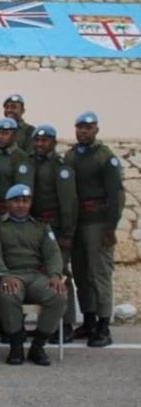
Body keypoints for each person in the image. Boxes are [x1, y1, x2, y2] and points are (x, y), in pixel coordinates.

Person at [0, 184, 67, 366]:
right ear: (8, 204)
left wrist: (55, 274)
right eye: (16, 201)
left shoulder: (41, 227)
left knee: (58, 295)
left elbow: (53, 253)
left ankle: (38, 346)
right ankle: (16, 346)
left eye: (25, 201)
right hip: (10, 274)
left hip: (36, 276)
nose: (21, 205)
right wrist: (4, 274)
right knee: (9, 294)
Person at [65, 111, 124, 347]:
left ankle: (103, 324)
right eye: (79, 127)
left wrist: (111, 225)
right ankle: (88, 319)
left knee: (99, 273)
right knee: (80, 273)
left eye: (88, 128)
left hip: (98, 222)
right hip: (78, 222)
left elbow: (116, 194)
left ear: (96, 130)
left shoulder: (105, 157)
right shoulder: (71, 156)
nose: (83, 131)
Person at [28, 124, 79, 338]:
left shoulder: (60, 167)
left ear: (53, 142)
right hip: (35, 226)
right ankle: (47, 325)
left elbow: (69, 203)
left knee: (60, 272)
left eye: (45, 140)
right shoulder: (31, 164)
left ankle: (66, 324)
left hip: (55, 227)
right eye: (37, 140)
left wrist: (67, 233)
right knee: (38, 271)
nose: (40, 144)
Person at [0, 118, 34, 216]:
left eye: (5, 134)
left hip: (12, 211)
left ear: (14, 136)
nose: (0, 137)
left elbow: (24, 191)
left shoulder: (20, 158)